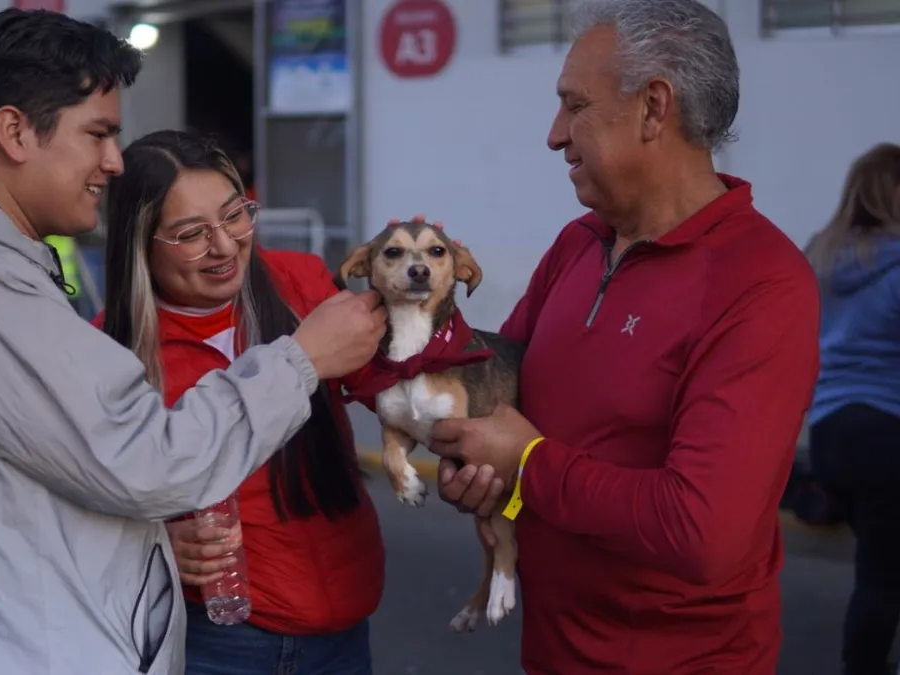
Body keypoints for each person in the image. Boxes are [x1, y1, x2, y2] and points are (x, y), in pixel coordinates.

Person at [0, 10, 385, 675]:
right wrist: (302, 360)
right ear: (13, 130)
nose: (112, 161)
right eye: (96, 134)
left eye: (234, 215)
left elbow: (70, 480)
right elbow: (149, 460)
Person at [422, 1, 821, 673]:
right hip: (553, 652)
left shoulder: (761, 282)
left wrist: (529, 463)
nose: (554, 134)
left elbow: (702, 532)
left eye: (575, 106)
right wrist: (476, 462)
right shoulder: (578, 245)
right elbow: (495, 400)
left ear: (654, 108)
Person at [95, 130, 383, 675]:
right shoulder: (110, 354)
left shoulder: (299, 284)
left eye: (234, 215)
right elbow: (73, 505)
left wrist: (419, 286)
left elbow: (394, 383)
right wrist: (152, 544)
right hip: (221, 642)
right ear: (139, 242)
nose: (225, 245)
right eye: (191, 234)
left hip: (348, 624)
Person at [805, 142, 900, 675]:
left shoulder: (817, 256)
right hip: (887, 431)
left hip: (829, 435)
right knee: (882, 579)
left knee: (880, 569)